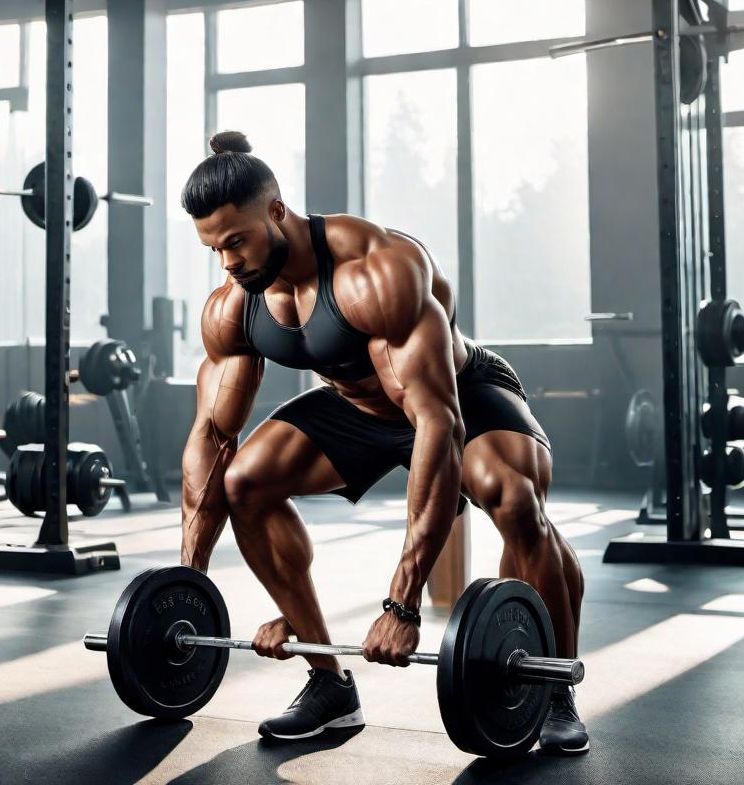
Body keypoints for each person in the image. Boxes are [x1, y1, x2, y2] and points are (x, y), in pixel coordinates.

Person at [177, 130, 586, 753]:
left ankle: (554, 691)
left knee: (512, 496)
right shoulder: (234, 308)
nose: (229, 262)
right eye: (215, 249)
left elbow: (438, 423)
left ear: (278, 213)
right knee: (245, 484)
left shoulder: (377, 269)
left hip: (458, 393)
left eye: (238, 241)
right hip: (357, 405)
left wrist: (402, 605)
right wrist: (185, 586)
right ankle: (330, 686)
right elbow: (211, 437)